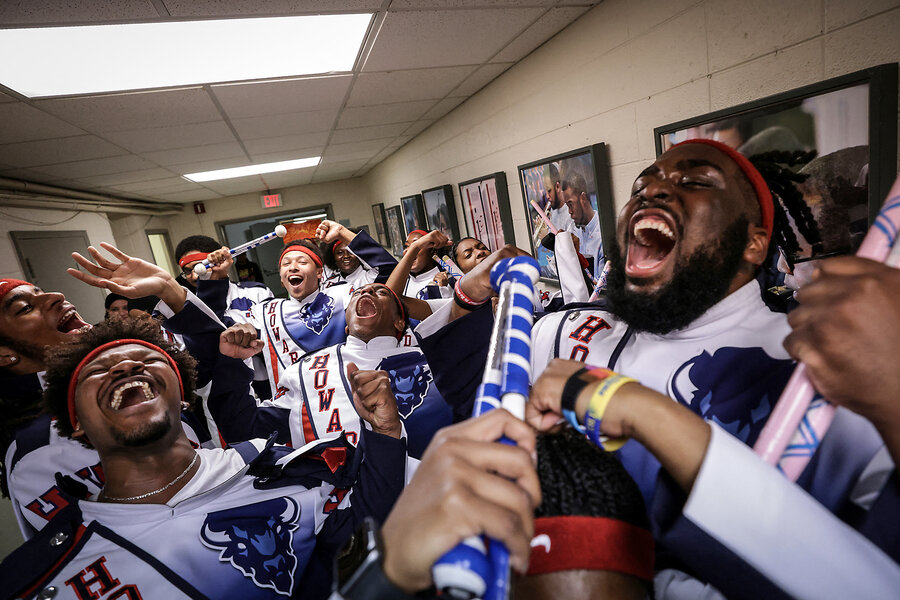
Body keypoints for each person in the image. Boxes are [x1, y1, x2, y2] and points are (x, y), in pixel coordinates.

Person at [416, 139, 811, 505]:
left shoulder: (808, 367)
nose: (651, 192)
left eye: (694, 181)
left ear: (752, 243)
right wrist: (468, 297)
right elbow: (477, 400)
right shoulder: (568, 331)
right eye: (640, 188)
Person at [0, 318, 408, 600]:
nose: (125, 366)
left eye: (144, 361)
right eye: (97, 372)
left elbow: (364, 536)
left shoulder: (287, 472)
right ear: (75, 424)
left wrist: (386, 435)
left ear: (183, 396)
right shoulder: (51, 573)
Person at [0, 256, 218, 539]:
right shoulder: (38, 450)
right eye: (25, 308)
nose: (56, 296)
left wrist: (168, 289)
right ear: (3, 356)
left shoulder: (128, 373)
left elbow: (220, 368)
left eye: (41, 292)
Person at [222, 282, 454, 457]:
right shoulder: (306, 369)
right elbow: (244, 428)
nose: (366, 292)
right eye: (357, 293)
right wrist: (233, 363)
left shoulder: (434, 365)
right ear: (346, 324)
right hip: (338, 514)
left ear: (399, 322)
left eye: (380, 292)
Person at [174, 234, 273, 325]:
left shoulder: (256, 293)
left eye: (199, 268)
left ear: (218, 262)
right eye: (187, 271)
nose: (195, 276)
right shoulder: (188, 307)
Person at [318, 222, 398, 292]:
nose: (346, 256)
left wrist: (341, 231)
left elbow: (388, 265)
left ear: (359, 255)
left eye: (351, 252)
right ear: (333, 258)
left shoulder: (370, 277)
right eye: (340, 253)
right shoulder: (328, 284)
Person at [562, 170, 603, 280]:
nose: (569, 211)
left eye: (571, 204)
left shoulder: (602, 233)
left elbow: (602, 288)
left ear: (583, 198)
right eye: (567, 206)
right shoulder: (572, 230)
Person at [542, 162, 574, 234]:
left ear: (557, 186)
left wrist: (546, 237)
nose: (547, 196)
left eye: (549, 190)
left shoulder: (571, 213)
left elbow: (569, 243)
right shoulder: (554, 210)